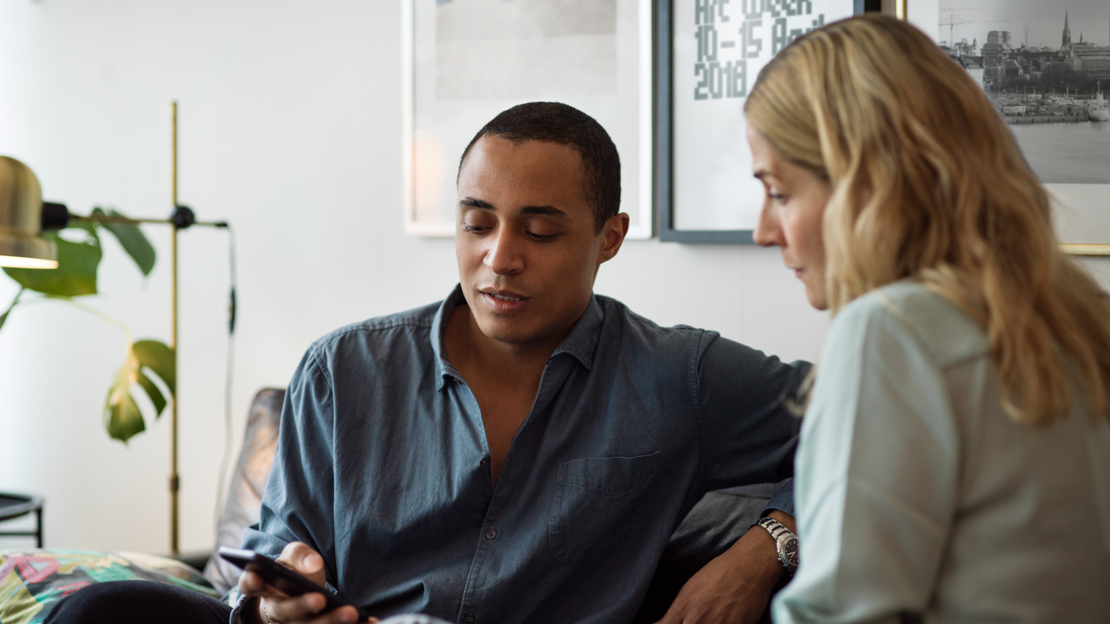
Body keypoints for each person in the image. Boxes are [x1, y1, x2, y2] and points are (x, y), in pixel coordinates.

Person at [45, 102, 810, 624]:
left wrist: (768, 543)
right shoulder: (343, 370)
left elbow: (878, 426)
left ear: (609, 236)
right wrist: (283, 592)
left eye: (539, 232)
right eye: (477, 223)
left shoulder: (684, 374)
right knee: (96, 609)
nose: (498, 258)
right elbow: (280, 546)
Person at [743, 14, 1110, 623]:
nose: (763, 231)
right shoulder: (1080, 315)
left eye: (778, 192)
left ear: (867, 183)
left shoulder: (892, 333)